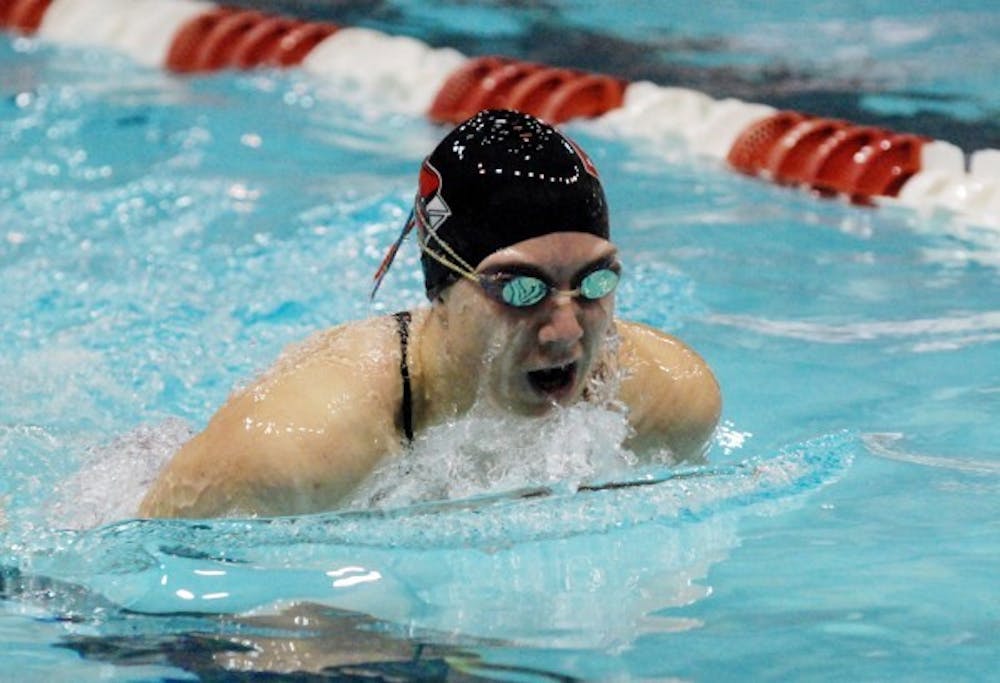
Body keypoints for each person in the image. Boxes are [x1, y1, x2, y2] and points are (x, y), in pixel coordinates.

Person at [139, 109, 721, 518]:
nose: (566, 330)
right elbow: (127, 605)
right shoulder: (298, 450)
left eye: (594, 283)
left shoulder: (667, 401)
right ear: (441, 288)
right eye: (521, 290)